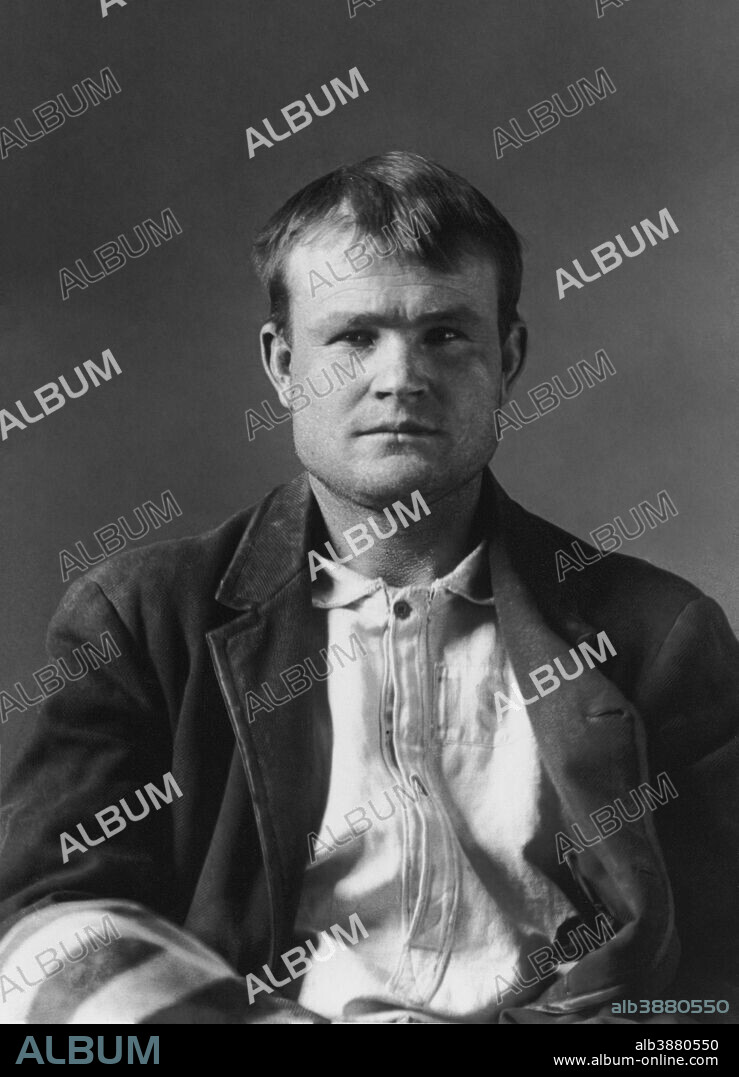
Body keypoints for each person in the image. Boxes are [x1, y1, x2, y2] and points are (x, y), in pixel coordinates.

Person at [0, 151, 737, 1025]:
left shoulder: (661, 632)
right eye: (353, 336)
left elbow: (718, 971)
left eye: (445, 334)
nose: (401, 378)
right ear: (281, 364)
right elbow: (43, 932)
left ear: (507, 357)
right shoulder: (136, 620)